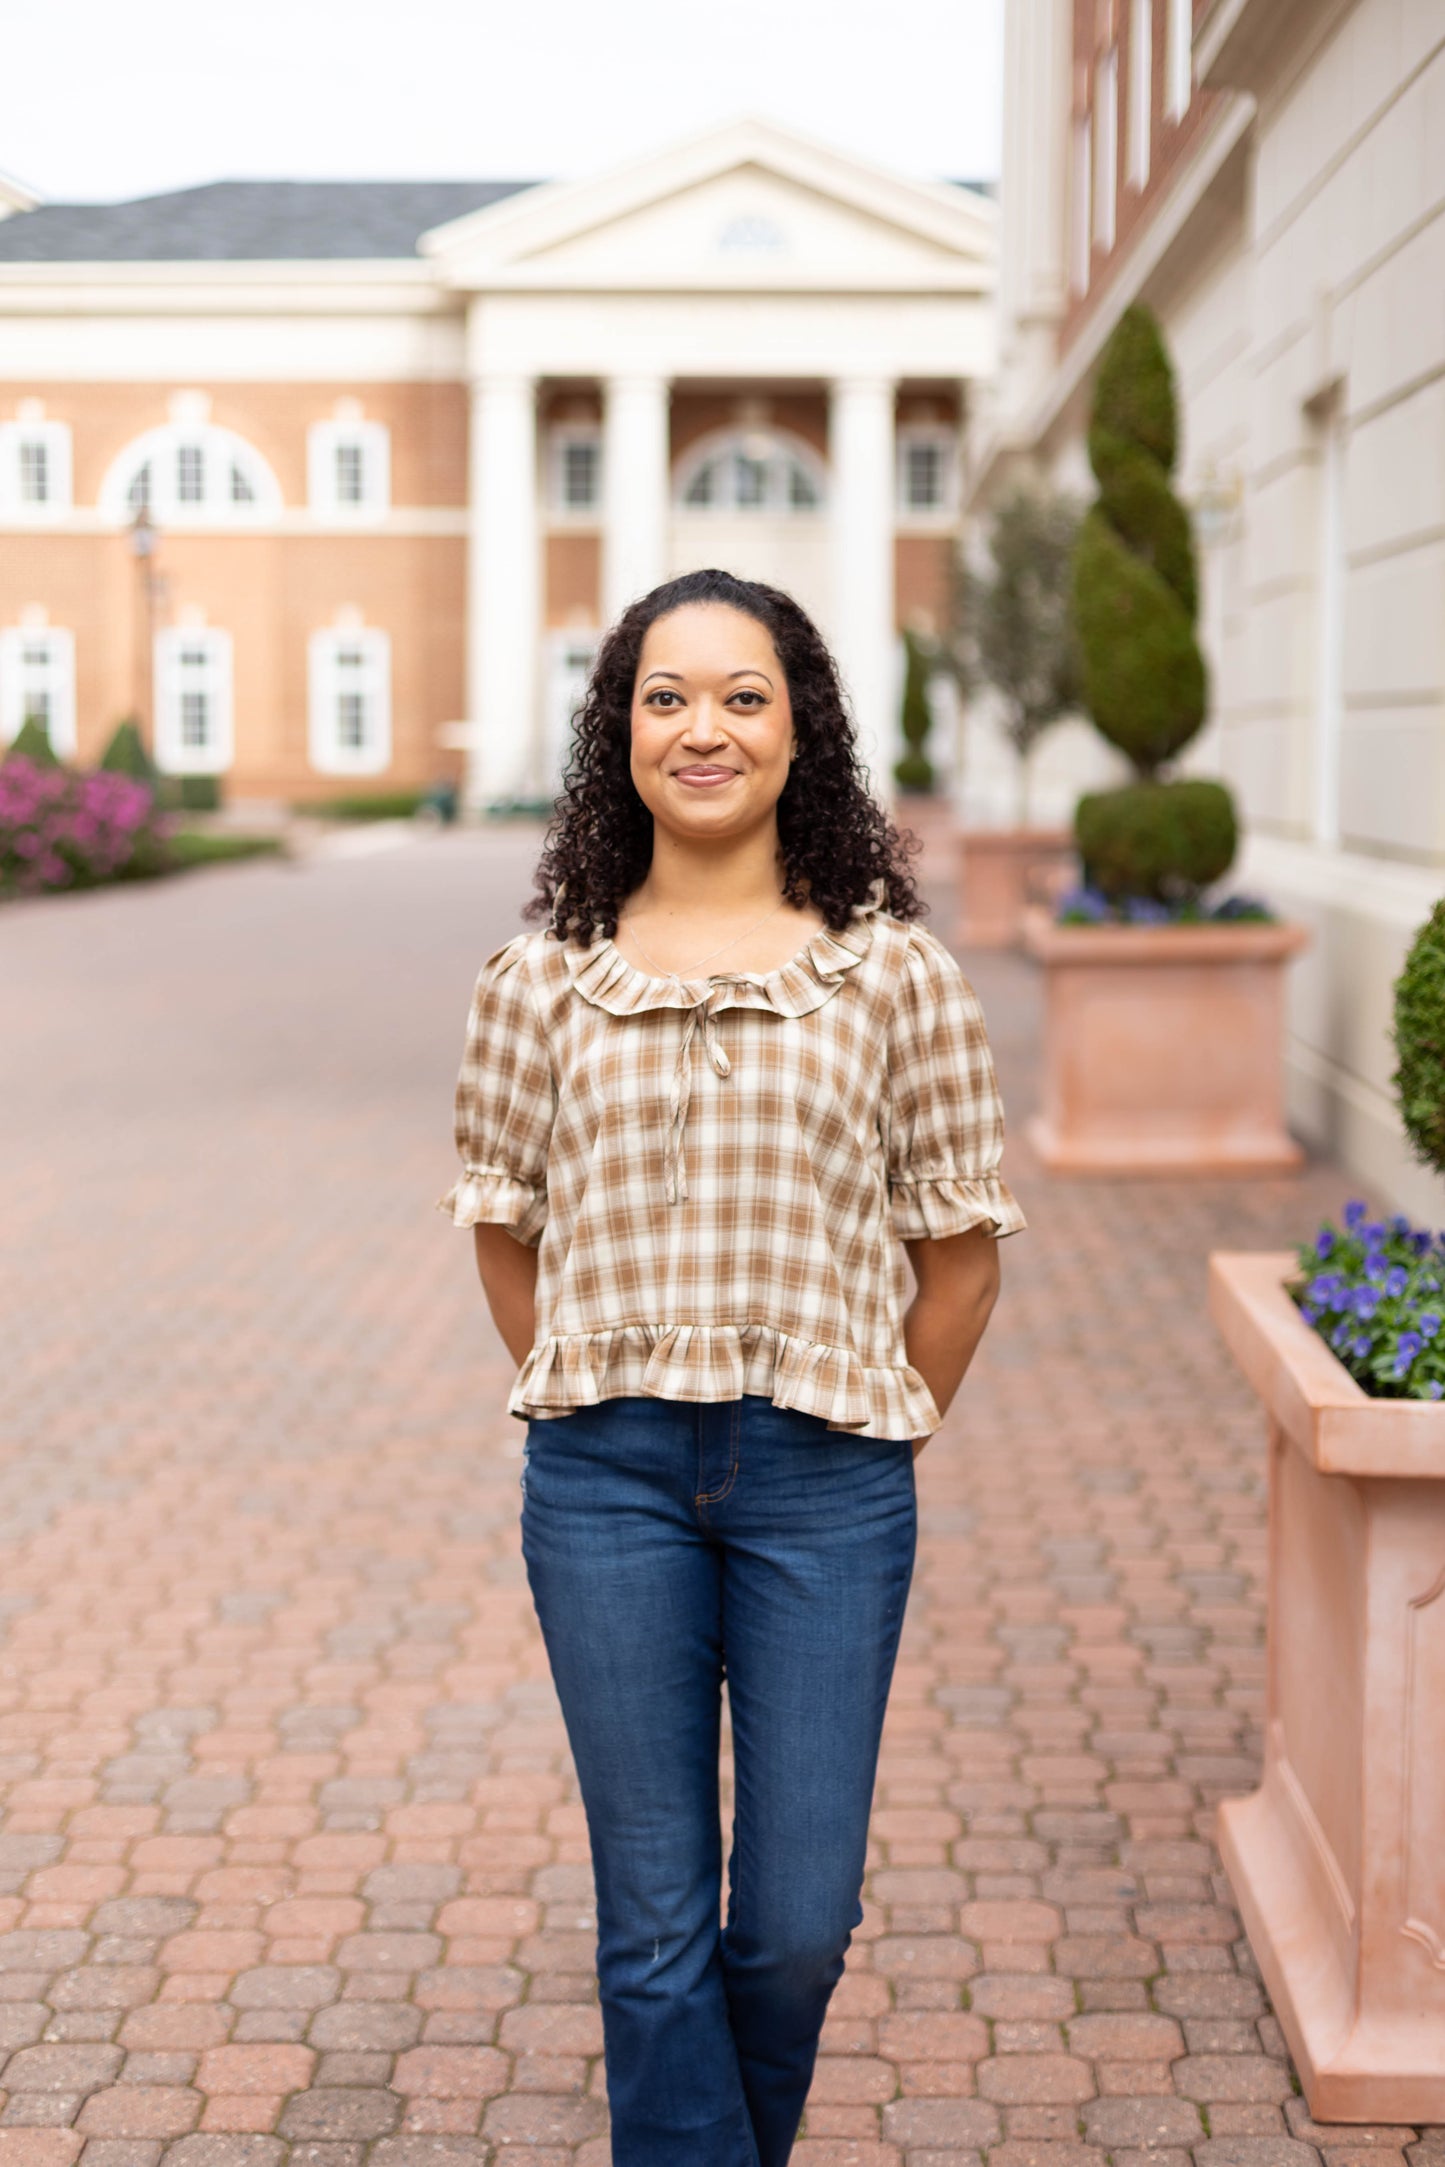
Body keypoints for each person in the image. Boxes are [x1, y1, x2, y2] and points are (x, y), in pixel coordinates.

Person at [439, 567, 1025, 2165]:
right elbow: (507, 1233)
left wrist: (865, 1431)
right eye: (665, 697)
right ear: (617, 732)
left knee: (793, 1920)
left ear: (801, 732)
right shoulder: (541, 976)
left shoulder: (891, 975)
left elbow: (959, 1262)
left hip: (827, 1483)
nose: (702, 730)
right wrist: (599, 1379)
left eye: (742, 696)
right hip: (603, 1482)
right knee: (650, 1924)